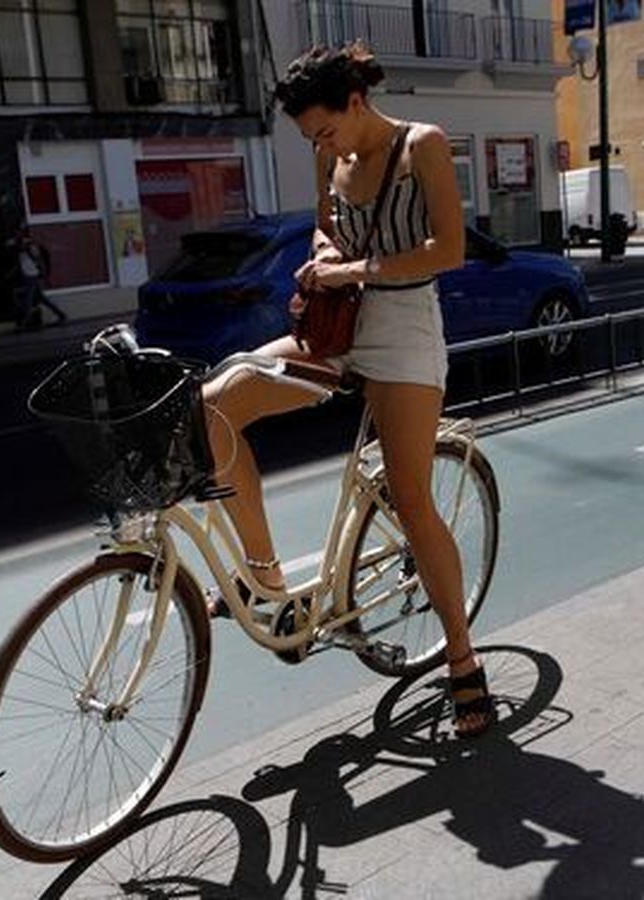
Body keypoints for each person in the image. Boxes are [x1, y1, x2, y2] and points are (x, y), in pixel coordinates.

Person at [202, 42, 495, 738]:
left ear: (357, 102)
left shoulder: (421, 145)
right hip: (336, 328)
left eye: (327, 131)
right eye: (311, 138)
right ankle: (267, 579)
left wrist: (352, 270)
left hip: (403, 331)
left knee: (411, 497)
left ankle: (462, 659)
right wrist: (324, 255)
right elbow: (324, 228)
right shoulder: (328, 154)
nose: (322, 145)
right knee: (214, 406)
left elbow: (449, 250)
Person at [9, 225, 68, 329]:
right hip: (31, 274)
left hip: (30, 274)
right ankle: (61, 315)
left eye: (18, 232)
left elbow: (21, 248)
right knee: (41, 298)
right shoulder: (26, 244)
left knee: (28, 299)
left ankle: (23, 322)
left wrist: (15, 243)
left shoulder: (27, 244)